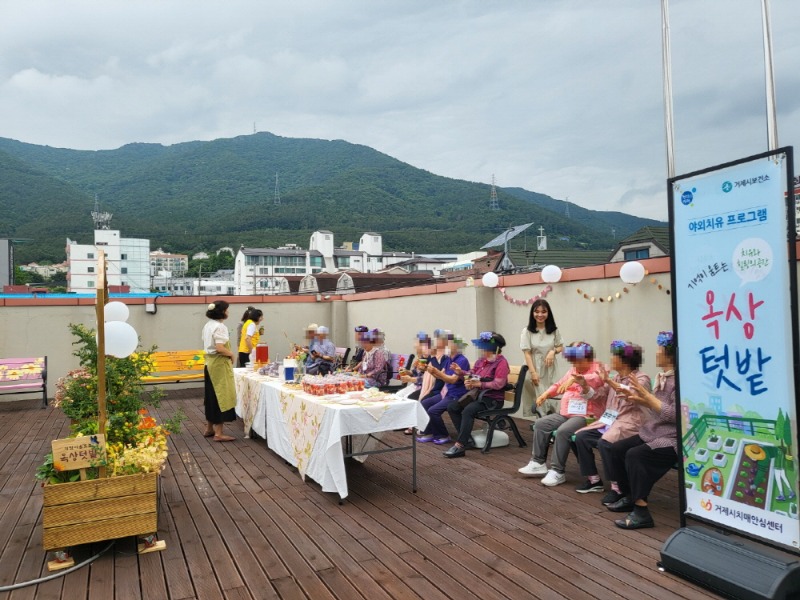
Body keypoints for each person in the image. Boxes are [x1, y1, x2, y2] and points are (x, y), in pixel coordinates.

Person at [603, 331, 677, 529]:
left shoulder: (678, 380)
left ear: (669, 354)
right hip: (651, 431)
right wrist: (644, 399)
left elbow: (675, 416)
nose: (656, 353)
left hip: (671, 438)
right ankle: (628, 495)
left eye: (659, 349)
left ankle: (641, 511)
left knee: (636, 455)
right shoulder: (662, 377)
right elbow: (652, 408)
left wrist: (647, 398)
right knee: (617, 449)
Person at [518, 342, 607, 486]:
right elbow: (559, 384)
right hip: (566, 412)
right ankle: (538, 462)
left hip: (586, 415)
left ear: (588, 358)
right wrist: (545, 394)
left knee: (563, 431)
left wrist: (577, 379)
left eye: (578, 360)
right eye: (573, 360)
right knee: (541, 424)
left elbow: (596, 379)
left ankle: (557, 471)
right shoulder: (573, 369)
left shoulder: (598, 368)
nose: (575, 364)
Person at [573, 340, 650, 497]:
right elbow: (599, 395)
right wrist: (585, 386)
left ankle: (617, 486)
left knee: (605, 443)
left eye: (614, 356)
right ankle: (594, 480)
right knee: (579, 437)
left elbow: (632, 396)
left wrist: (607, 380)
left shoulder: (642, 378)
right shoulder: (616, 378)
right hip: (610, 421)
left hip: (630, 423)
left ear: (624, 360)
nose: (611, 359)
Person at [443, 332, 510, 458]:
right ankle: (467, 439)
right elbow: (472, 373)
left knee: (468, 410)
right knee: (453, 407)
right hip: (478, 396)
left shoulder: (501, 363)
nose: (482, 349)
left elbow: (499, 384)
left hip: (492, 399)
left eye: (484, 347)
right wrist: (461, 372)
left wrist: (480, 384)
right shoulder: (482, 361)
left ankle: (460, 446)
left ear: (493, 348)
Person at [417, 335, 470, 445]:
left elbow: (453, 380)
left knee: (433, 411)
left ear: (457, 346)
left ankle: (443, 435)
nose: (447, 345)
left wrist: (436, 372)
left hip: (456, 395)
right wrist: (430, 370)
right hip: (446, 393)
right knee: (425, 403)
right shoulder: (449, 359)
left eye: (450, 343)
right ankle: (430, 432)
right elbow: (442, 376)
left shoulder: (462, 360)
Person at [520, 299, 563, 419]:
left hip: (550, 368)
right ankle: (542, 428)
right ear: (532, 313)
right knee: (540, 402)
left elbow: (560, 346)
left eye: (543, 312)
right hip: (534, 368)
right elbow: (527, 353)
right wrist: (533, 373)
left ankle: (549, 427)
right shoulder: (527, 331)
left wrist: (553, 352)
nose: (540, 315)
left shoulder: (554, 330)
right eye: (536, 312)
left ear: (548, 313)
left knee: (552, 397)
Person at [202, 300, 237, 442]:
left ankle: (209, 428)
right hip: (219, 364)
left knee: (210, 396)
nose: (228, 312)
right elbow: (220, 348)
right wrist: (231, 354)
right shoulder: (220, 327)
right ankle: (219, 433)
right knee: (221, 396)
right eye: (227, 310)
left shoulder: (208, 325)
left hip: (209, 363)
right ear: (221, 312)